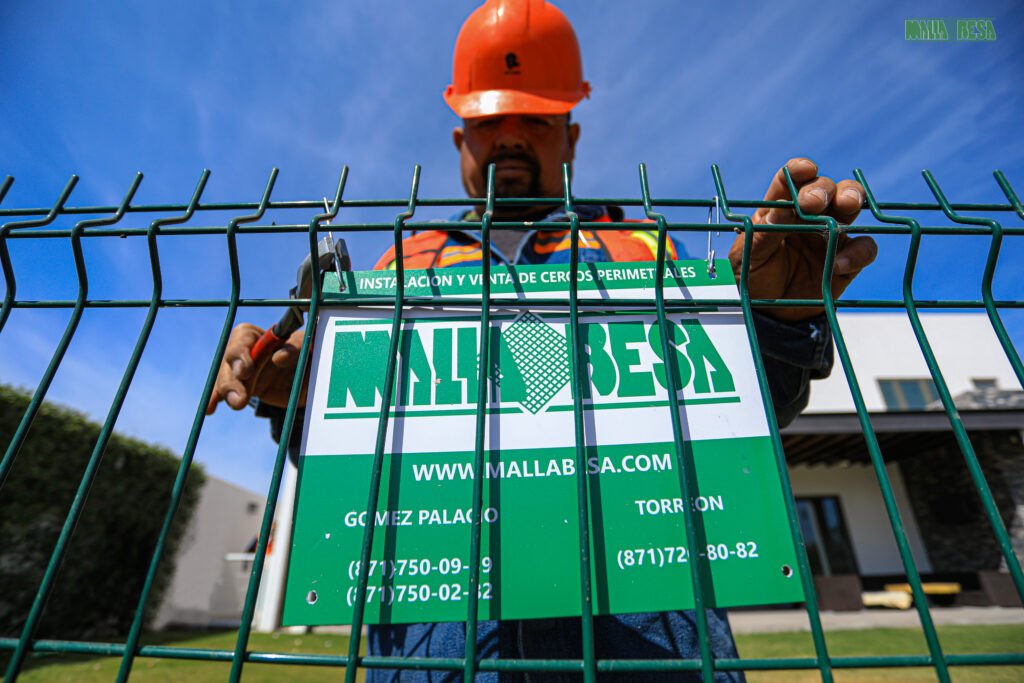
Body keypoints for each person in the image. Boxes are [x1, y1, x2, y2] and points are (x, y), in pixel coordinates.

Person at [206, 1, 877, 680]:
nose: (510, 137)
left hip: (648, 631)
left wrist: (771, 322)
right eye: (489, 121)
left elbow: (739, 424)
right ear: (460, 140)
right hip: (437, 636)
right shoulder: (402, 263)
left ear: (571, 136)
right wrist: (297, 397)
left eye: (535, 119)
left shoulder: (643, 245)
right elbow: (359, 471)